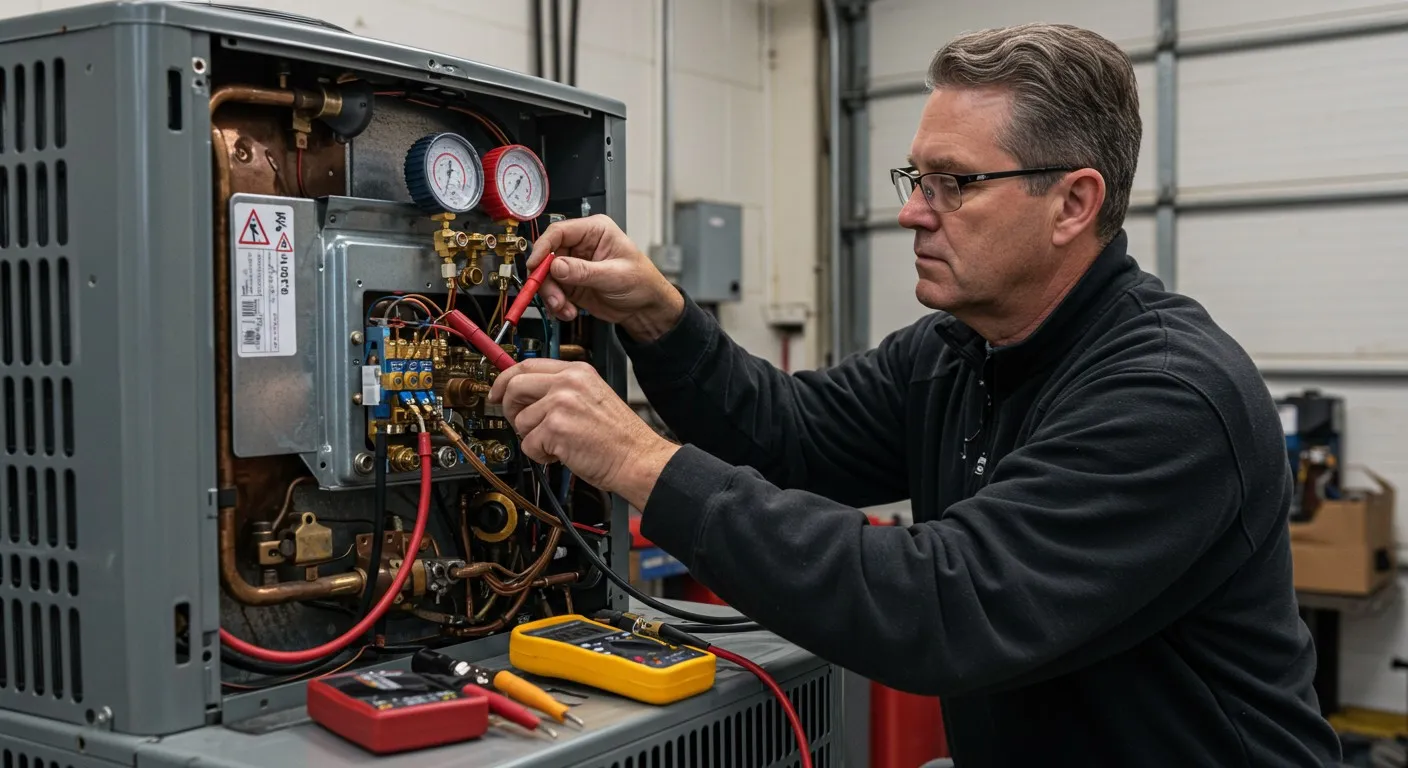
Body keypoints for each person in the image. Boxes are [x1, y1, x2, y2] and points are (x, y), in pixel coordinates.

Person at [488, 22, 1341, 766]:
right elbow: (788, 434)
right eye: (916, 178)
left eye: (955, 184)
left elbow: (943, 605)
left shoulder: (1165, 395)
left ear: (1073, 203)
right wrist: (661, 318)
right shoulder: (961, 349)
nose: (913, 213)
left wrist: (642, 462)